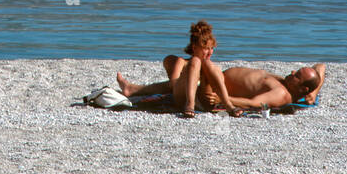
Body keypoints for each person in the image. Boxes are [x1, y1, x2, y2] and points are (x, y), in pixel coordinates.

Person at [116, 19, 241, 118]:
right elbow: (173, 85)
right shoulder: (183, 62)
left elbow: (220, 81)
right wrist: (192, 76)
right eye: (206, 48)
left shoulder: (210, 66)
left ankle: (228, 104)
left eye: (212, 48)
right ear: (194, 47)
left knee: (207, 64)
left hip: (205, 100)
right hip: (183, 97)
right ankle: (190, 103)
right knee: (196, 61)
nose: (210, 52)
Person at [118, 57, 326, 111]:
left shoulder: (281, 94)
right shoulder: (295, 87)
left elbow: (255, 104)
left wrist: (222, 99)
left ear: (301, 88)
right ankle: (133, 89)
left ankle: (183, 94)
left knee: (200, 62)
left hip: (212, 93)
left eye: (297, 75)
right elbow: (321, 66)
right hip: (210, 85)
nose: (292, 73)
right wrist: (313, 94)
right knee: (172, 61)